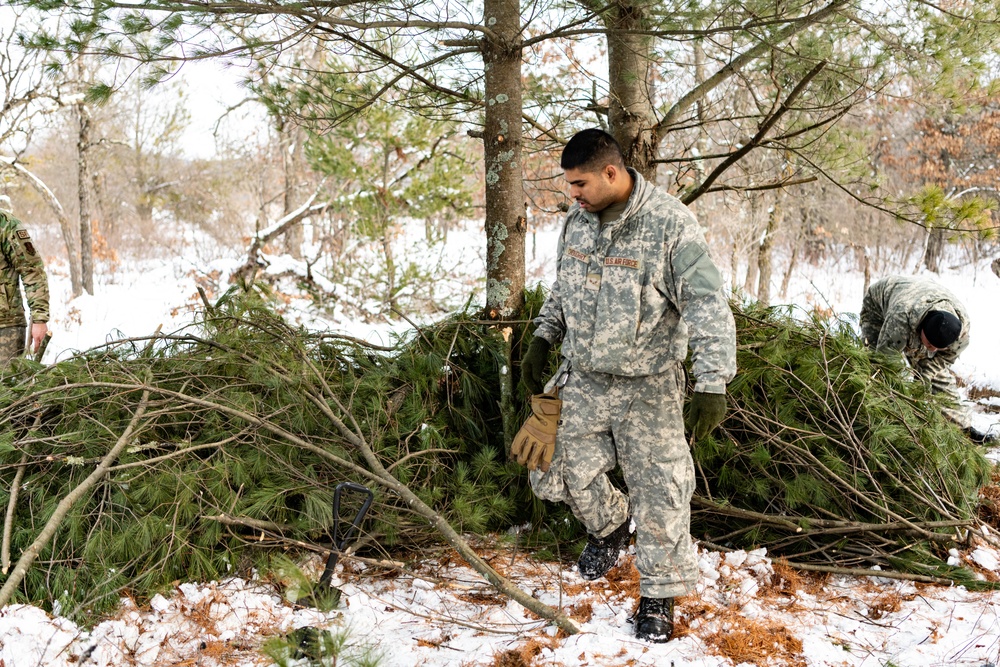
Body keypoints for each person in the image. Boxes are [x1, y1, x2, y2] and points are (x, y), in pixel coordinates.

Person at [518, 129, 736, 643]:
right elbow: (562, 289)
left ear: (611, 173)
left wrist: (711, 381)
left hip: (649, 385)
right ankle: (611, 526)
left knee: (662, 489)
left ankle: (658, 593)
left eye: (580, 184)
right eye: (570, 186)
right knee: (549, 464)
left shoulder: (669, 224)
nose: (573, 195)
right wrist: (543, 337)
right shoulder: (577, 222)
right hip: (585, 377)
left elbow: (707, 303)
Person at [859, 275, 995, 444]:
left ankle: (964, 428)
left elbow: (942, 360)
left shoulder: (961, 333)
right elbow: (884, 363)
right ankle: (874, 418)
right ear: (920, 330)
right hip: (879, 305)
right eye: (930, 343)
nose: (932, 349)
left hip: (922, 298)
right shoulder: (901, 318)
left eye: (939, 348)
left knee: (936, 374)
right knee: (875, 366)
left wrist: (924, 376)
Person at [0, 195, 49, 366]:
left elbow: (32, 271)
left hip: (6, 329)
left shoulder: (6, 224)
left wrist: (39, 318)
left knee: (7, 390)